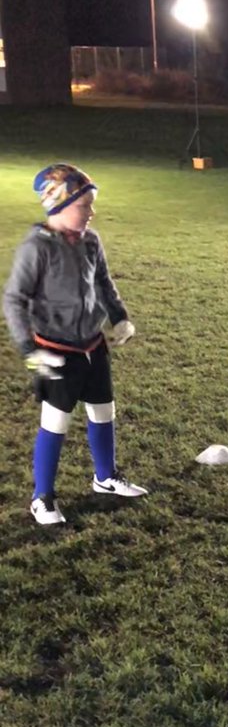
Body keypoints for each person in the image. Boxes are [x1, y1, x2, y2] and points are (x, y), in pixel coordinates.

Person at [3, 163, 147, 526]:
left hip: (93, 346)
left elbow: (104, 282)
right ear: (59, 205)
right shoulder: (36, 248)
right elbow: (14, 300)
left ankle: (106, 477)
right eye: (85, 205)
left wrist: (120, 317)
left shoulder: (91, 240)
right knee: (55, 423)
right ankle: (42, 498)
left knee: (104, 412)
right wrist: (30, 353)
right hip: (55, 350)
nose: (91, 212)